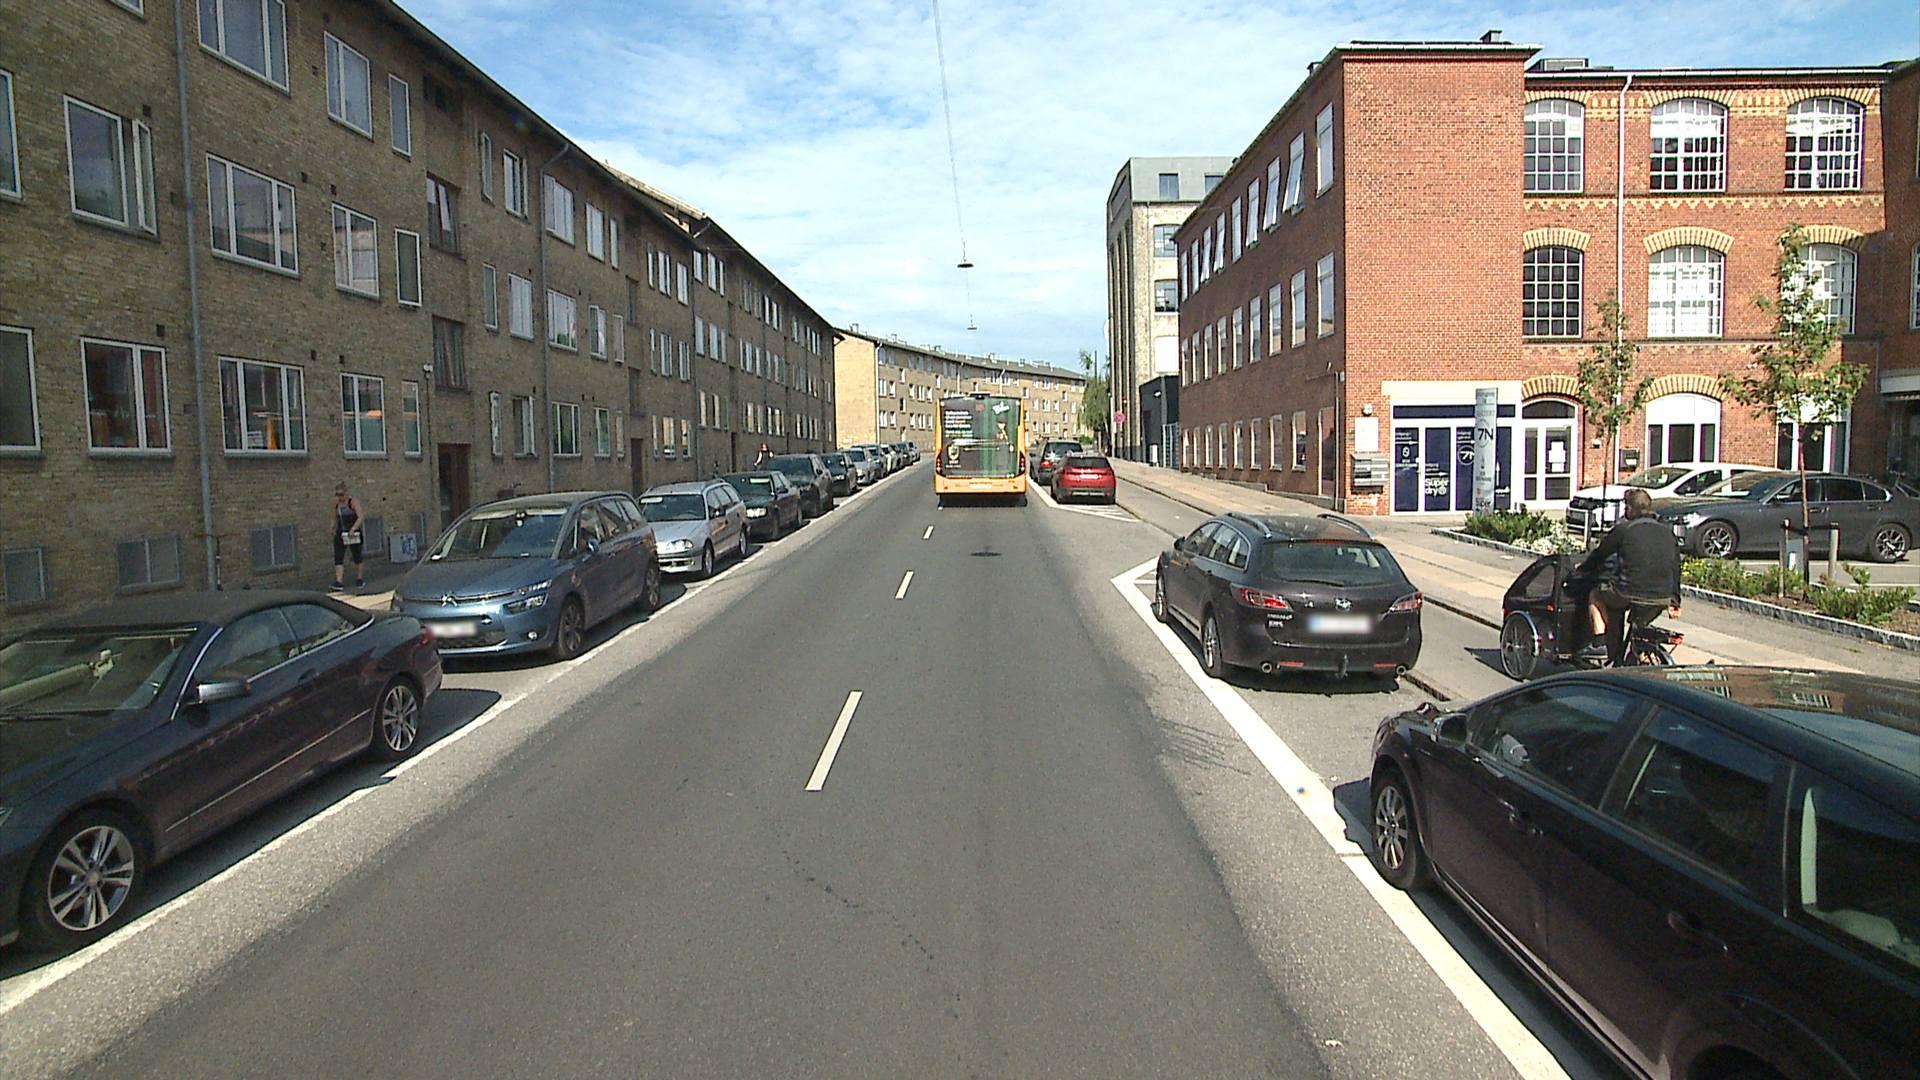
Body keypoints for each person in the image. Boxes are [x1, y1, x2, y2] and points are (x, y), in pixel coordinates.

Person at [1576, 487, 1682, 666]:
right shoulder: (1668, 532)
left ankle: (1599, 644)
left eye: (1626, 507)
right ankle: (1633, 656)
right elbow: (1675, 567)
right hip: (1661, 597)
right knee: (1638, 625)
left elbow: (1601, 554)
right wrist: (1675, 601)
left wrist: (1582, 569)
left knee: (1596, 594)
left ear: (1631, 509)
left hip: (1627, 592)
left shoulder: (1624, 529)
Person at [331, 484, 366, 592]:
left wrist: (353, 529)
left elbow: (360, 517)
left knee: (357, 555)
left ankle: (360, 578)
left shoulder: (353, 502)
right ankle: (339, 581)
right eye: (337, 495)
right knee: (338, 556)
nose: (339, 497)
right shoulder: (336, 504)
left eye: (341, 494)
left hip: (353, 532)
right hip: (341, 532)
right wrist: (332, 527)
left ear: (346, 493)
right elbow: (334, 517)